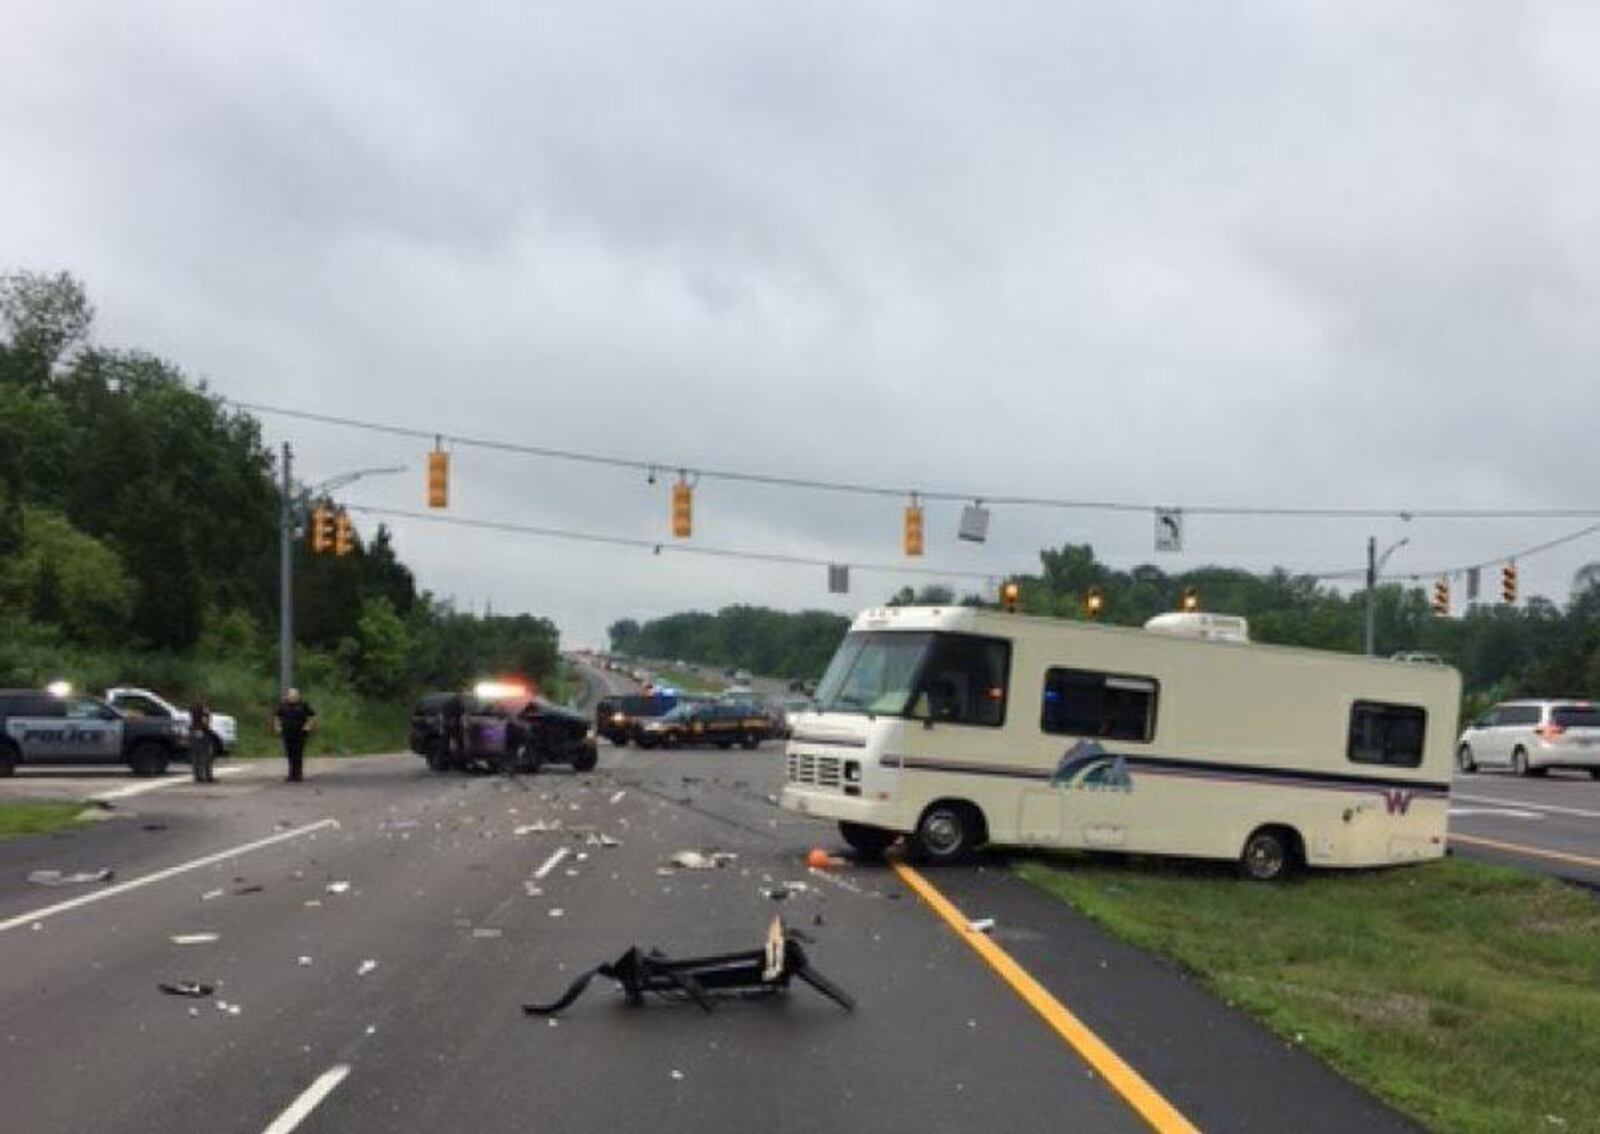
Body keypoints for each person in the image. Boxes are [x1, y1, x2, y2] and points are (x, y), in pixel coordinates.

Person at [272, 687, 317, 783]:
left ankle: (298, 774)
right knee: (290, 753)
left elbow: (312, 716)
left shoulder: (303, 705)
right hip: (287, 733)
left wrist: (308, 726)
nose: (293, 697)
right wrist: (277, 726)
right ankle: (291, 774)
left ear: (298, 696)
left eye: (295, 695)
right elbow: (277, 716)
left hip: (300, 733)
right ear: (287, 696)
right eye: (291, 695)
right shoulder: (283, 706)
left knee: (298, 753)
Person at [189, 697, 216, 784]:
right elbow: (205, 722)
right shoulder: (204, 710)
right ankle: (208, 776)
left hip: (193, 732)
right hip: (203, 733)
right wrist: (208, 730)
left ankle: (197, 776)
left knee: (196, 756)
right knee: (206, 755)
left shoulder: (192, 709)